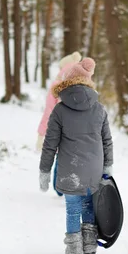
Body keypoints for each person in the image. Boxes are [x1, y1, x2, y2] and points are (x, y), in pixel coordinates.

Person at [38, 57, 113, 254]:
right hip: (94, 169)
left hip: (70, 169)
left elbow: (50, 145)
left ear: (67, 82)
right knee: (89, 203)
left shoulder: (60, 110)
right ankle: (89, 246)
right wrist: (108, 166)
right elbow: (107, 140)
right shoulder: (99, 108)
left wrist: (44, 171)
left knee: (73, 209)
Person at [36, 51, 82, 196]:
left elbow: (49, 111)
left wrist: (41, 133)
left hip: (59, 128)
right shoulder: (83, 86)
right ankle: (74, 184)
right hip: (78, 130)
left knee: (60, 156)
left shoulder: (56, 86)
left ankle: (59, 187)